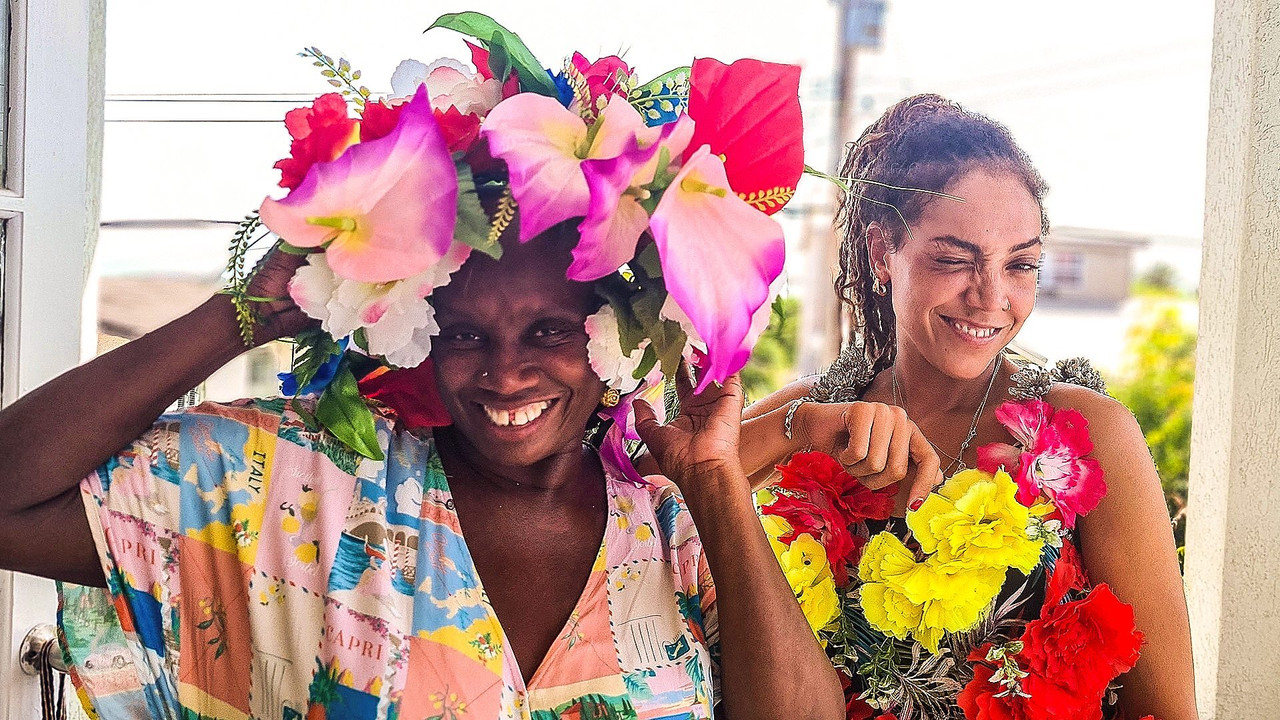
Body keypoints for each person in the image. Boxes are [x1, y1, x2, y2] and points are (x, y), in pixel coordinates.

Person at [0, 20, 849, 716]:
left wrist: (716, 480)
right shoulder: (301, 488)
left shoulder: (674, 531)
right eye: (466, 334)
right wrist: (243, 315)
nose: (506, 374)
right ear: (420, 333)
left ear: (617, 334)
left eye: (549, 330)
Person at [743, 94, 1197, 719]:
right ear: (881, 252)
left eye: (1021, 265)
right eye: (955, 260)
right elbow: (651, 483)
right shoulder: (817, 418)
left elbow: (1166, 707)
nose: (991, 297)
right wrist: (799, 428)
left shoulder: (1084, 434)